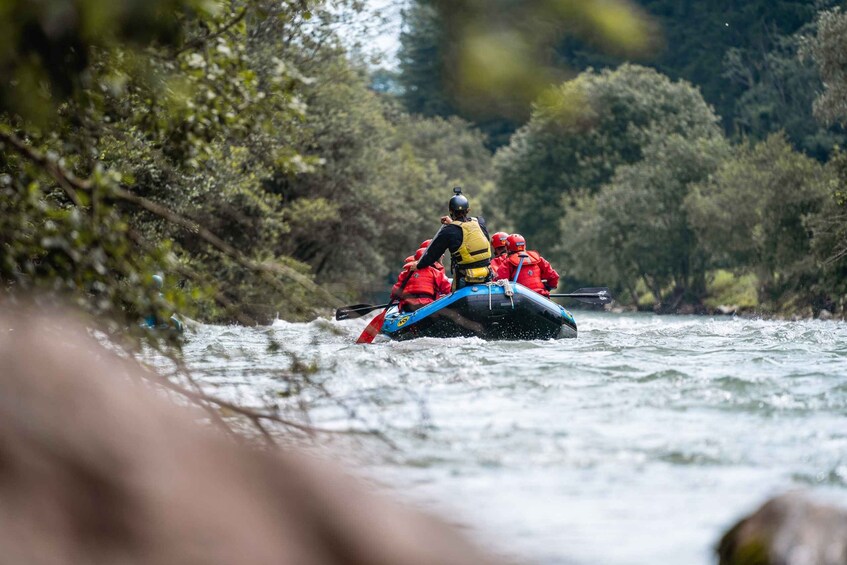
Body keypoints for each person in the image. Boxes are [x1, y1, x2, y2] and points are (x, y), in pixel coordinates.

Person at [407, 187, 492, 291]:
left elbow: (434, 253)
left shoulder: (449, 231)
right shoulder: (480, 222)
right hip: (486, 274)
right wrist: (452, 223)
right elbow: (468, 233)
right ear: (468, 210)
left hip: (465, 278)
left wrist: (419, 265)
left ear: (451, 211)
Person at [496, 233, 560, 297]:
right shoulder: (538, 259)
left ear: (508, 248)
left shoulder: (508, 263)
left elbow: (499, 282)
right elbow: (554, 277)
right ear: (524, 245)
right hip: (541, 296)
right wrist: (548, 287)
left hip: (522, 298)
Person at [391, 248, 451, 312]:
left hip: (408, 305)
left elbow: (395, 292)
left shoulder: (405, 273)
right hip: (426, 304)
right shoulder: (435, 272)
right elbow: (447, 288)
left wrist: (397, 298)